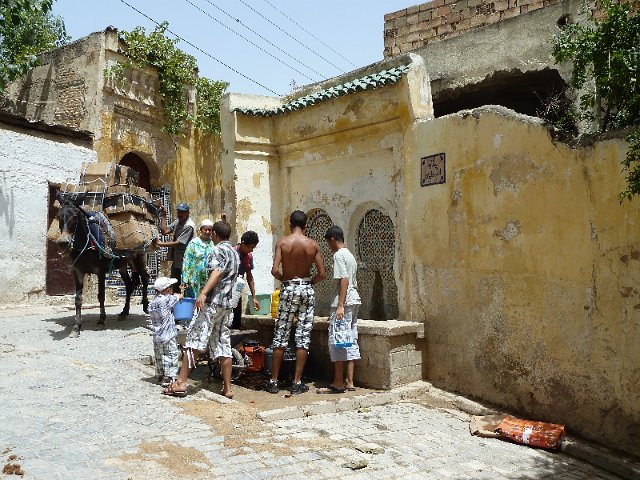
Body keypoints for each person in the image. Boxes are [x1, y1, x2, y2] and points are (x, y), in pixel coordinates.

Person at [162, 220, 240, 398]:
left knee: (194, 341)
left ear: (215, 234)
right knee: (223, 344)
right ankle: (228, 389)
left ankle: (180, 383)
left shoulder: (217, 250)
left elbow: (217, 272)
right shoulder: (234, 253)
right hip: (226, 306)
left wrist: (203, 293)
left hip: (212, 304)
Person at [265, 210, 326, 395]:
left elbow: (274, 270)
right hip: (306, 288)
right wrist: (309, 283)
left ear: (290, 224)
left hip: (289, 288)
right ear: (306, 225)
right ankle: (297, 382)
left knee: (281, 335)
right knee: (303, 337)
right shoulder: (313, 244)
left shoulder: (283, 242)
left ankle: (273, 381)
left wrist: (284, 279)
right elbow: (322, 273)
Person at [317, 226, 361, 394]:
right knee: (351, 339)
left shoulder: (338, 255)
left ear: (332, 240)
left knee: (338, 341)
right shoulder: (350, 255)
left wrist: (340, 305)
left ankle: (338, 382)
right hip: (354, 300)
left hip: (345, 302)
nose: (328, 246)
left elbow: (344, 279)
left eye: (328, 243)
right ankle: (349, 381)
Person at [148, 276, 183, 387]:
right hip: (168, 335)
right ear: (168, 290)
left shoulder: (153, 302)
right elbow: (180, 297)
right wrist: (179, 294)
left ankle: (160, 375)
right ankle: (169, 378)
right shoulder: (167, 299)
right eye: (171, 288)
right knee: (171, 355)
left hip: (157, 335)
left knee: (159, 356)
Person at [154, 202, 196, 293]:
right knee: (175, 284)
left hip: (186, 261)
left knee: (186, 286)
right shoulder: (178, 221)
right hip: (177, 260)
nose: (180, 214)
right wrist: (163, 216)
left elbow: (178, 243)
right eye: (179, 211)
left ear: (188, 212)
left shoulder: (189, 226)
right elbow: (165, 231)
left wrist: (160, 244)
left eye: (183, 212)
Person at [232, 230, 261, 329]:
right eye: (250, 247)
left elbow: (249, 276)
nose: (251, 250)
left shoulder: (248, 257)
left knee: (236, 321)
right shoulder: (232, 253)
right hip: (226, 292)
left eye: (253, 248)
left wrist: (254, 297)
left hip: (237, 291)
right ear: (243, 243)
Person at [181, 219, 215, 298]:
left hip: (207, 280)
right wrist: (185, 279)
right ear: (201, 230)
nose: (207, 232)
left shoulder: (213, 244)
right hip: (194, 280)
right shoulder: (193, 243)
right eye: (205, 229)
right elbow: (187, 261)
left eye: (209, 230)